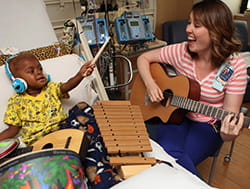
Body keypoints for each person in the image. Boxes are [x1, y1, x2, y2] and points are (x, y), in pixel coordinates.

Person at [136, 0, 247, 177]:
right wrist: (151, 84)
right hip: (174, 115)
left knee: (171, 162)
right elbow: (143, 59)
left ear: (217, 31)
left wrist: (228, 134)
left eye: (197, 25)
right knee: (167, 158)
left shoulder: (235, 66)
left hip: (208, 126)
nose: (188, 29)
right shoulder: (181, 51)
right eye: (189, 22)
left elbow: (229, 121)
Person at [0, 52, 95, 145]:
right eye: (31, 71)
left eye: (40, 69)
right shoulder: (15, 102)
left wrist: (80, 75)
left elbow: (67, 86)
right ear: (18, 81)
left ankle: (86, 142)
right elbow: (13, 130)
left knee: (82, 107)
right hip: (40, 142)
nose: (38, 72)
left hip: (63, 130)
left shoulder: (51, 88)